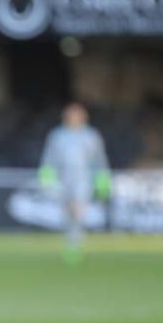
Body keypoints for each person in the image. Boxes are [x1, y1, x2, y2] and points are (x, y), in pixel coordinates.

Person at [38, 103, 111, 263]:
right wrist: (47, 177)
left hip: (83, 179)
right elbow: (49, 159)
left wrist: (102, 180)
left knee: (78, 209)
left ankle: (74, 246)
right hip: (63, 179)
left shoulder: (91, 136)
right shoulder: (57, 136)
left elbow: (99, 160)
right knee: (68, 213)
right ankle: (71, 242)